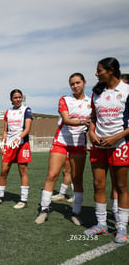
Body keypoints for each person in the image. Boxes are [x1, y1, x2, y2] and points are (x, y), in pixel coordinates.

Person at [35, 73, 91, 225]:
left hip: (79, 143)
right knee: (52, 175)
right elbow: (66, 120)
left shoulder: (91, 101)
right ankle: (44, 210)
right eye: (72, 84)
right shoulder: (64, 99)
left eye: (78, 83)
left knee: (77, 178)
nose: (75, 86)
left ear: (84, 82)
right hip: (61, 141)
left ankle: (76, 213)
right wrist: (84, 121)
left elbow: (94, 123)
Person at [84, 57, 129, 244]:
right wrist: (91, 133)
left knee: (121, 186)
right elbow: (93, 118)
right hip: (98, 145)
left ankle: (121, 228)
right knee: (98, 184)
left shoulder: (127, 90)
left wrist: (116, 137)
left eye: (99, 70)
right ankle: (101, 224)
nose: (96, 74)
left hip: (120, 144)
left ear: (111, 71)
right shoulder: (97, 92)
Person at [0, 89, 33, 209]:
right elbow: (5, 130)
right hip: (9, 145)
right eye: (15, 97)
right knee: (4, 171)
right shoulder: (8, 112)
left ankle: (23, 200)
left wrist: (18, 138)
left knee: (22, 171)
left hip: (22, 144)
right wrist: (3, 144)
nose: (18, 99)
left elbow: (27, 129)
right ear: (11, 99)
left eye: (19, 97)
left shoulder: (26, 110)